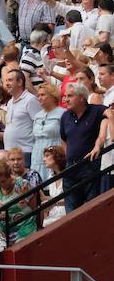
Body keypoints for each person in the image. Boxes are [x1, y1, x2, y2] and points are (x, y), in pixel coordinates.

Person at [60, 82, 106, 212]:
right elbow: (64, 140)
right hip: (70, 168)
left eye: (70, 96)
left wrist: (98, 145)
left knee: (91, 209)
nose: (66, 99)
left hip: (89, 166)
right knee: (71, 212)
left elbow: (109, 113)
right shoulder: (65, 116)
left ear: (82, 97)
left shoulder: (96, 110)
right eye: (65, 96)